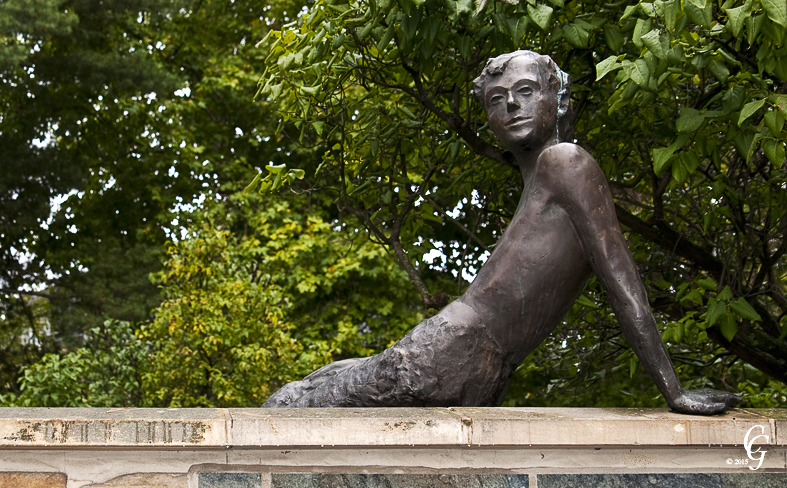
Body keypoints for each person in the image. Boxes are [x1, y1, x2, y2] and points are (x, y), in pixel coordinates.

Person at [263, 51, 741, 415]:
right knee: (319, 385)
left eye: (527, 90)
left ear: (560, 97)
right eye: (497, 99)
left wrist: (672, 390)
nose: (511, 104)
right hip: (461, 351)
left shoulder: (566, 162)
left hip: (461, 348)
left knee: (296, 401)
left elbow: (620, 277)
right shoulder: (541, 177)